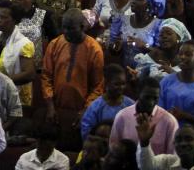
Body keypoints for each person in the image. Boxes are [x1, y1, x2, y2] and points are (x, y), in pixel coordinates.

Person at [41, 9, 104, 140]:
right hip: (55, 109)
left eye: (70, 28)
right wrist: (50, 106)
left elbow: (98, 86)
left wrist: (86, 111)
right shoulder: (55, 44)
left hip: (81, 112)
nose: (66, 32)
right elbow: (46, 76)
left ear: (82, 27)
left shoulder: (94, 49)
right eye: (64, 28)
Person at [80, 64, 135, 140]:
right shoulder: (95, 107)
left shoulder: (130, 105)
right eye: (116, 84)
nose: (121, 87)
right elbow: (86, 133)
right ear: (107, 83)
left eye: (123, 84)